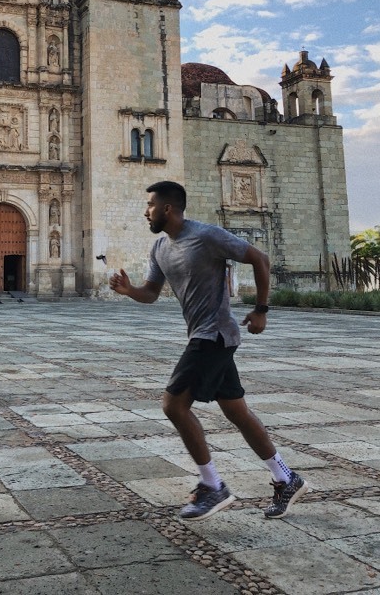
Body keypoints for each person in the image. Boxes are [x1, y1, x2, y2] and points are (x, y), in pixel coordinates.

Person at [109, 180, 307, 521]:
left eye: (150, 206)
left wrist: (261, 309)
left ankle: (212, 485)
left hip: (214, 335)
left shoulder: (207, 235)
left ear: (168, 209)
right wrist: (130, 291)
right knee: (237, 412)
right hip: (202, 335)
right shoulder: (159, 248)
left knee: (174, 405)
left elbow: (260, 259)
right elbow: (152, 293)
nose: (146, 212)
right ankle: (286, 477)